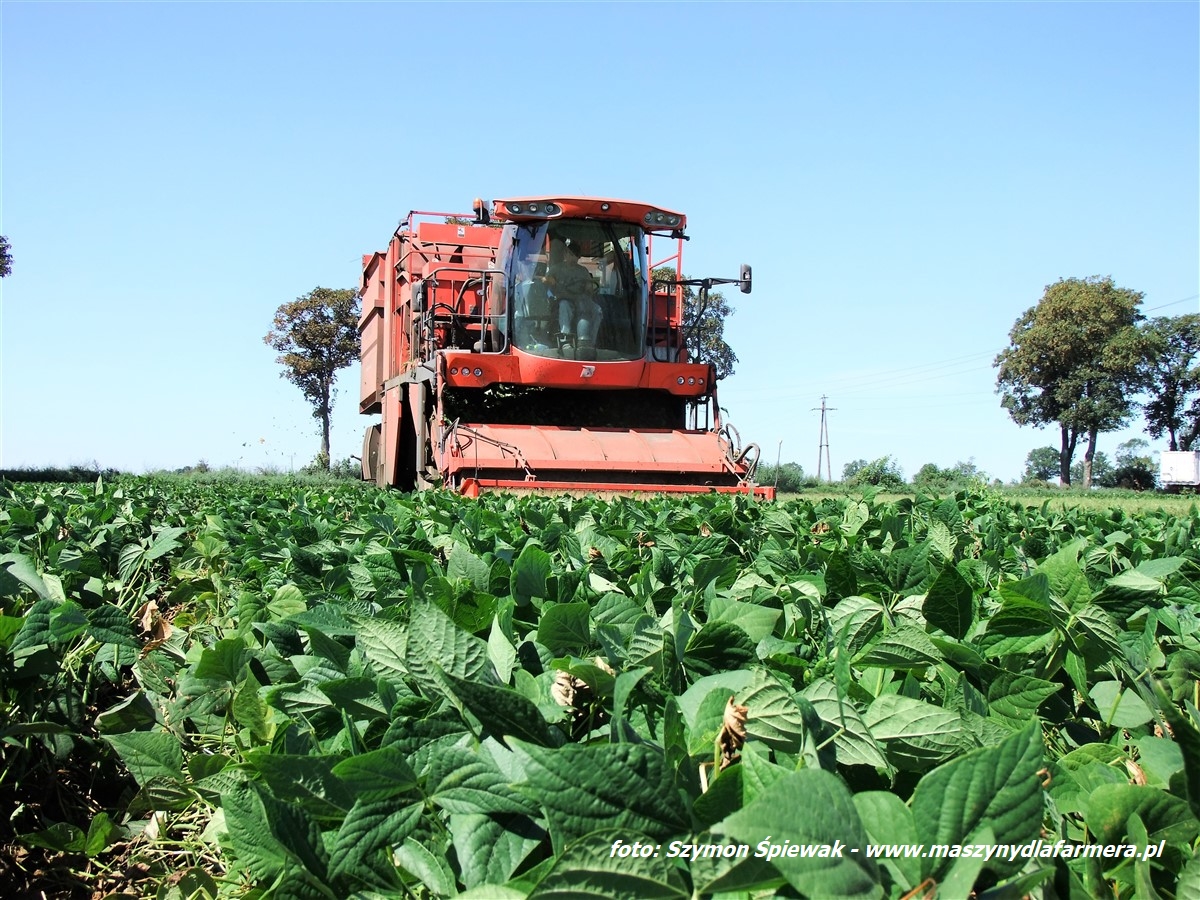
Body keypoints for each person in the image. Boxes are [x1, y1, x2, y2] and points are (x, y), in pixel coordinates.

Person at [543, 240, 601, 356]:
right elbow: (545, 279)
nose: (571, 257)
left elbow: (589, 286)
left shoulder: (583, 271)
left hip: (581, 300)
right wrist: (550, 280)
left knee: (597, 310)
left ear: (578, 257)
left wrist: (589, 287)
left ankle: (590, 342)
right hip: (564, 299)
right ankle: (565, 340)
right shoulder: (557, 268)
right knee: (564, 306)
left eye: (574, 255)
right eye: (569, 254)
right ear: (565, 254)